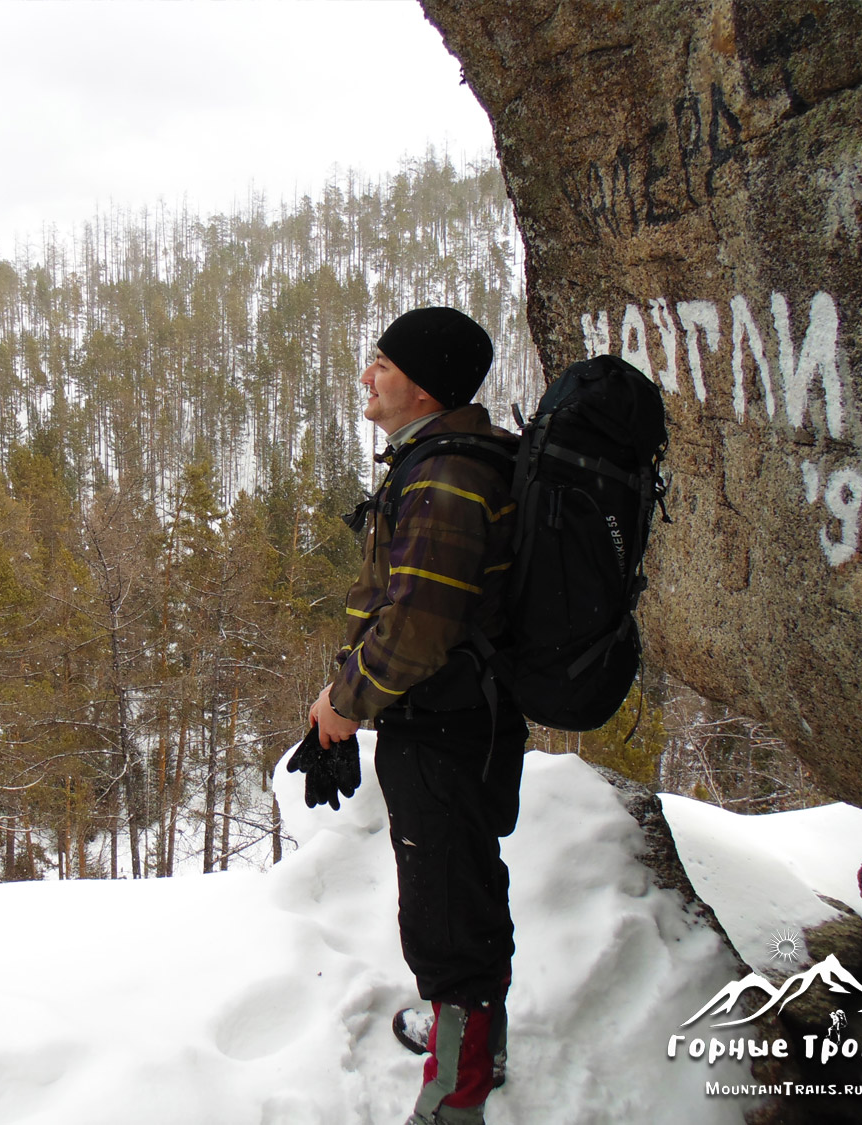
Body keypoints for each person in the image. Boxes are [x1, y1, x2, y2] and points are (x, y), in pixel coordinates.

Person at [305, 307, 527, 1125]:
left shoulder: (443, 478)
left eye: (383, 365)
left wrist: (342, 705)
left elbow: (417, 630)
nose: (368, 376)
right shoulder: (443, 461)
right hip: (464, 718)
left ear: (424, 384)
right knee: (463, 886)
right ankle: (477, 1044)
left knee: (444, 916)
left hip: (442, 726)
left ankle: (451, 1100)